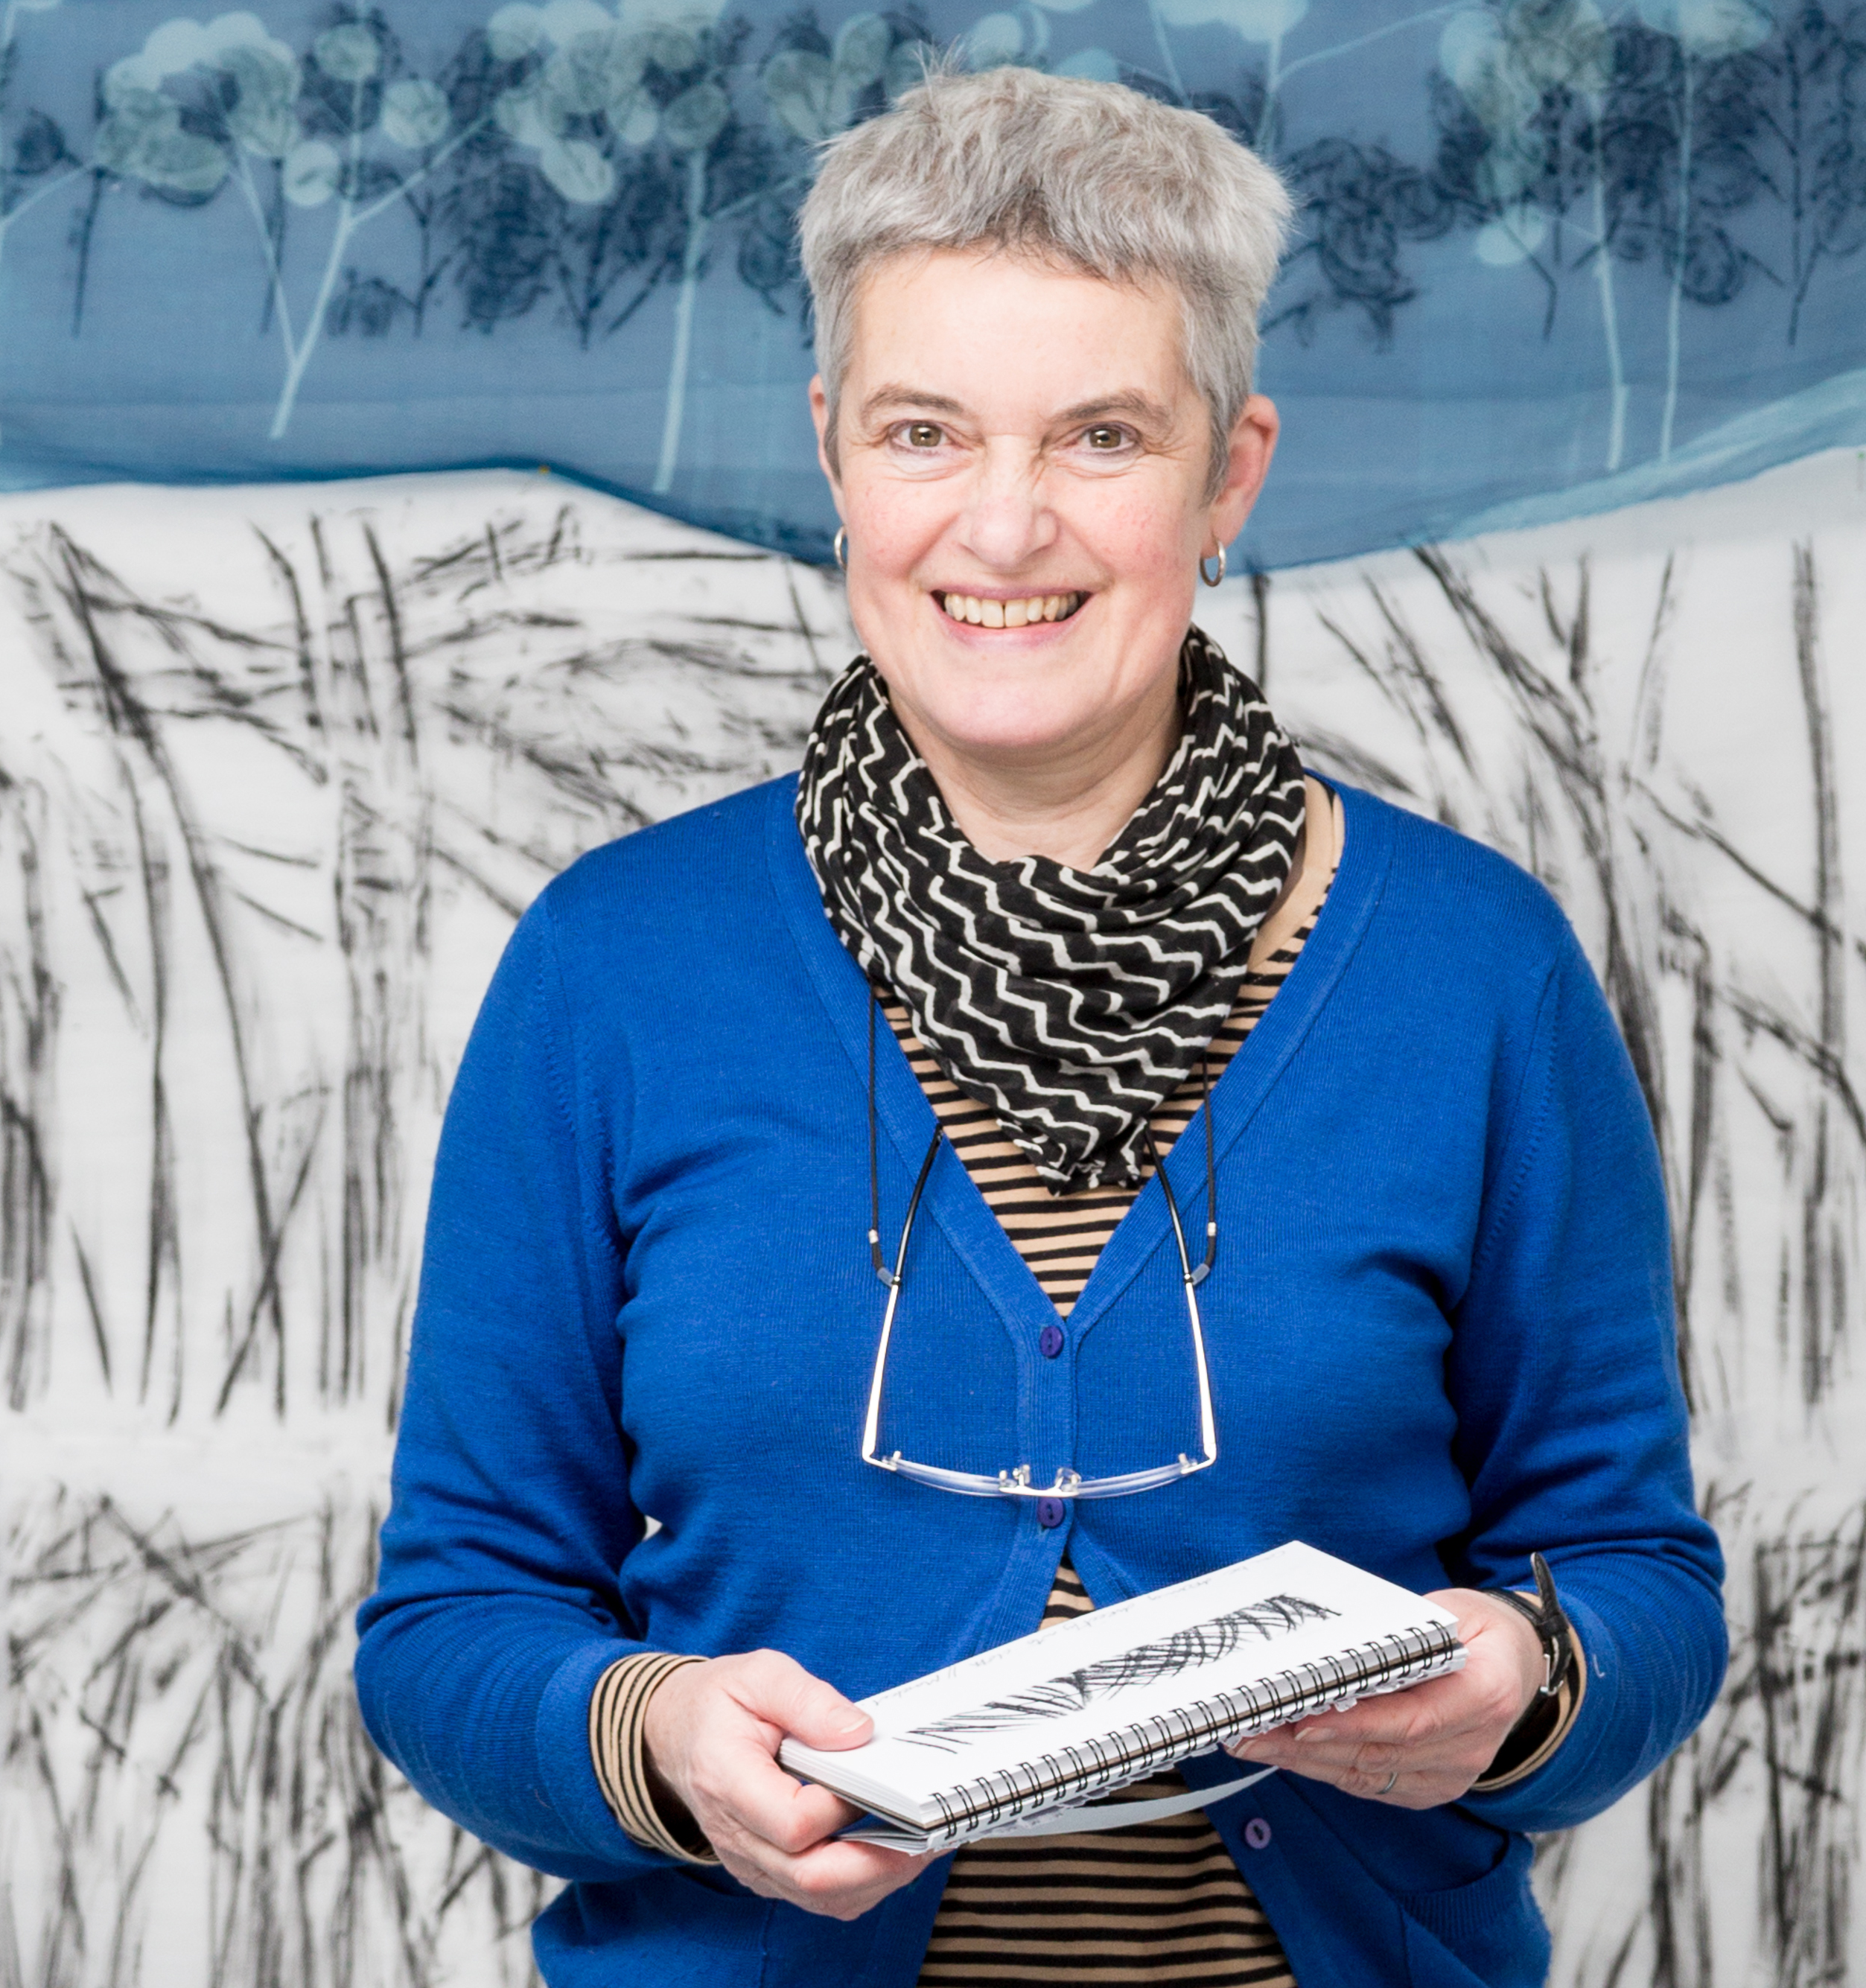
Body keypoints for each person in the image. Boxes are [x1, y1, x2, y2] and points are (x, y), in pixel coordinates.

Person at [355, 66, 1725, 1988]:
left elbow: (1642, 1581)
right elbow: (448, 1630)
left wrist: (1531, 1683)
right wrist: (656, 1745)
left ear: (1229, 473)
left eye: (1100, 437)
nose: (1003, 529)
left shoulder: (1477, 975)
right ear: (834, 453)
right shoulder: (611, 973)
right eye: (927, 433)